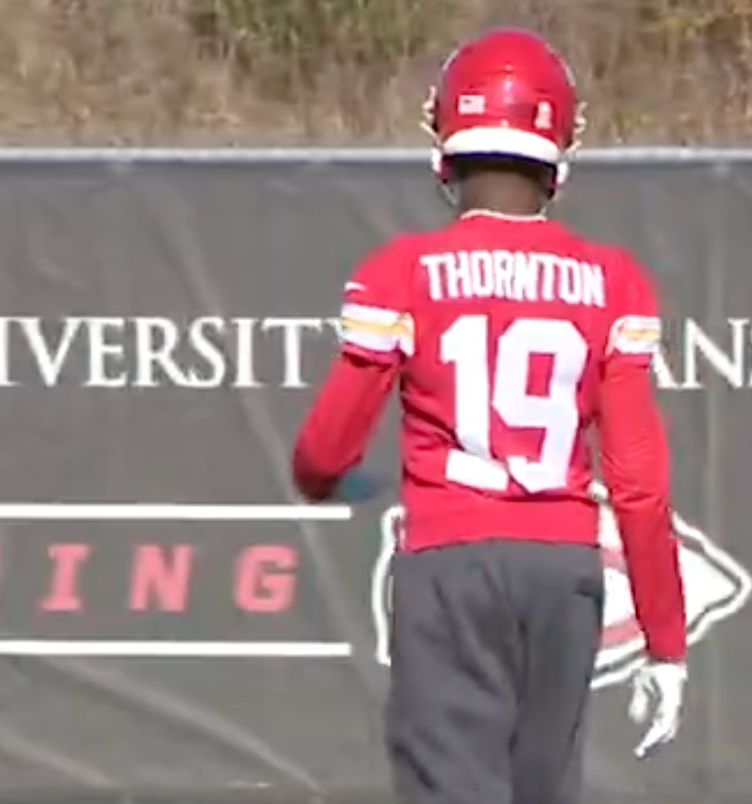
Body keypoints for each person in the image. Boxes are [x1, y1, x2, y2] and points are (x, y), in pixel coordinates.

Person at [290, 27, 689, 804]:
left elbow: (324, 453)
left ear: (445, 139)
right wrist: (665, 644)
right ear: (560, 146)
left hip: (451, 561)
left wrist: (331, 483)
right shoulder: (613, 282)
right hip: (565, 572)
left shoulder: (401, 272)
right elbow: (639, 486)